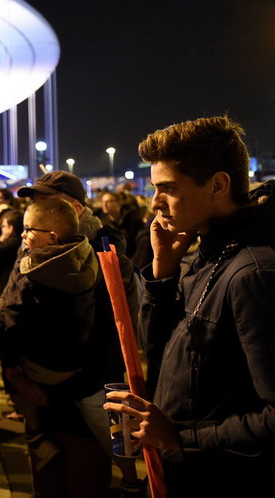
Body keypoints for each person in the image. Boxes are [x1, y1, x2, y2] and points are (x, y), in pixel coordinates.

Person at [104, 116, 275, 495]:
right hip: (181, 471)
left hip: (221, 478)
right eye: (154, 188)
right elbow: (159, 352)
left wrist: (181, 437)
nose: (154, 202)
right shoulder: (205, 254)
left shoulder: (253, 272)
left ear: (217, 185)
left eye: (169, 188)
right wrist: (162, 274)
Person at [0, 199, 101, 484]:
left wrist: (12, 370)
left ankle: (35, 433)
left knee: (52, 460)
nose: (23, 235)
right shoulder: (87, 258)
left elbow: (14, 320)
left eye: (29, 229)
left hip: (38, 368)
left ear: (52, 237)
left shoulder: (33, 272)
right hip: (74, 366)